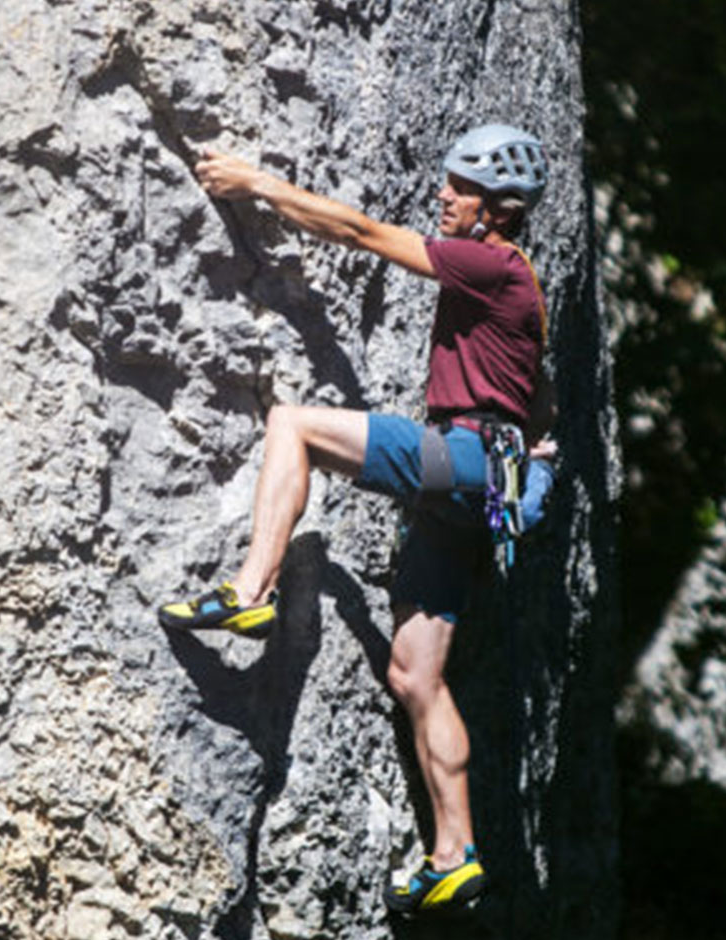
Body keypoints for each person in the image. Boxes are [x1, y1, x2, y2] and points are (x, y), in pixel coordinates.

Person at [158, 124, 555, 916]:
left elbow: (363, 233)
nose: (444, 195)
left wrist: (256, 182)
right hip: (480, 492)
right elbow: (539, 412)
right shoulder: (524, 284)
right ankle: (455, 854)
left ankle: (250, 591)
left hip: (462, 457)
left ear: (499, 210)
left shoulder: (491, 263)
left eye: (461, 188)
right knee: (417, 675)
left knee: (294, 426)